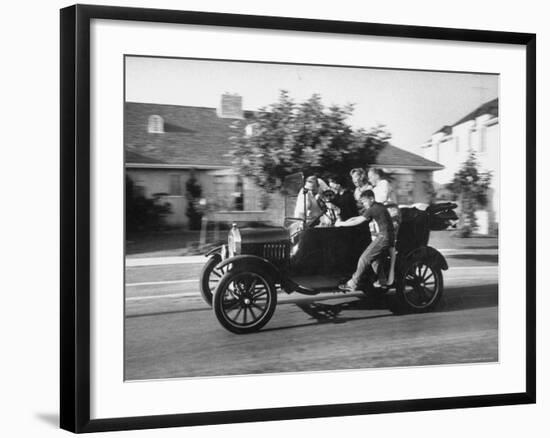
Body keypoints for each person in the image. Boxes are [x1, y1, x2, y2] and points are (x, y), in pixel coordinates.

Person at [336, 189, 395, 291]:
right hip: (387, 237)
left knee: (364, 258)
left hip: (383, 237)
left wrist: (341, 224)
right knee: (374, 259)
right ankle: (382, 282)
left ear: (371, 199)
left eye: (364, 201)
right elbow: (357, 218)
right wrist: (345, 221)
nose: (363, 204)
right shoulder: (377, 206)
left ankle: (353, 283)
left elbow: (358, 221)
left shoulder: (373, 209)